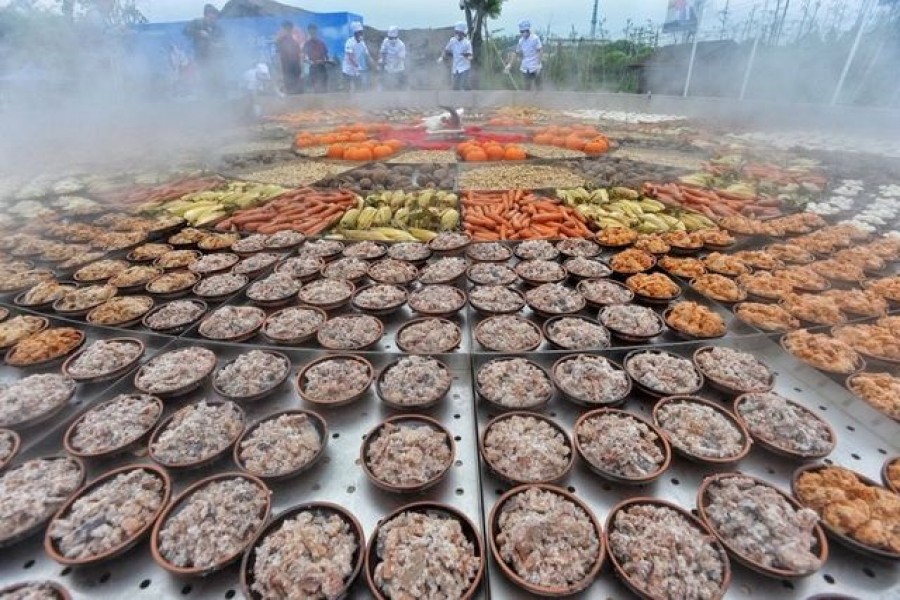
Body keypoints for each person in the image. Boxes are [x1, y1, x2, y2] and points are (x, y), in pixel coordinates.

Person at [183, 4, 225, 93]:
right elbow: (185, 31)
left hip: (215, 58)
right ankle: (205, 94)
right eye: (211, 15)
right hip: (200, 56)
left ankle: (216, 93)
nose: (213, 18)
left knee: (216, 78)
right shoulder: (196, 23)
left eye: (215, 16)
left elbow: (223, 41)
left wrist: (219, 45)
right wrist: (198, 33)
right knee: (203, 77)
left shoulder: (217, 28)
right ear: (206, 15)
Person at [505, 20, 543, 91]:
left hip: (535, 64)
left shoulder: (535, 38)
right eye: (521, 32)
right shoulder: (521, 41)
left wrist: (539, 64)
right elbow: (516, 53)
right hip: (526, 65)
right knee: (527, 86)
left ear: (527, 30)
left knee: (538, 85)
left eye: (523, 31)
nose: (522, 33)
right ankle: (527, 96)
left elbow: (540, 50)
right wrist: (509, 64)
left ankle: (540, 96)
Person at [440, 22, 473, 91]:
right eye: (456, 32)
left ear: (463, 33)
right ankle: (457, 97)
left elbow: (470, 55)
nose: (457, 34)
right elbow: (446, 50)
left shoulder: (467, 43)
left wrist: (467, 56)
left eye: (459, 32)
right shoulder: (452, 41)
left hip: (464, 67)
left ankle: (469, 95)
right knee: (455, 87)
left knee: (463, 84)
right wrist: (443, 56)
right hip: (455, 67)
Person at [342, 21, 374, 92]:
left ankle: (357, 98)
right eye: (359, 33)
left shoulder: (362, 43)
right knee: (346, 89)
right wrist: (357, 65)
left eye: (361, 32)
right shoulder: (349, 42)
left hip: (356, 69)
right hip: (347, 69)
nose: (361, 34)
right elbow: (350, 57)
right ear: (355, 33)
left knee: (359, 88)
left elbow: (367, 54)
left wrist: (373, 63)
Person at [275, 21, 303, 95]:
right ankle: (289, 91)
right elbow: (278, 51)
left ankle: (297, 92)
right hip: (286, 63)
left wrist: (299, 63)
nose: (288, 30)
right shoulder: (280, 40)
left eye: (289, 28)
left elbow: (298, 53)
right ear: (284, 29)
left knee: (296, 78)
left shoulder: (295, 41)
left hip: (295, 63)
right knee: (288, 78)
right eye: (286, 28)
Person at [304, 23, 329, 93]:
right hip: (313, 69)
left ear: (316, 31)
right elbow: (304, 58)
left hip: (322, 68)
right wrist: (310, 62)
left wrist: (322, 61)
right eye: (310, 32)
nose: (312, 34)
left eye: (313, 32)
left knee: (324, 89)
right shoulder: (307, 44)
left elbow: (327, 57)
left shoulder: (322, 43)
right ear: (308, 32)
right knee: (315, 89)